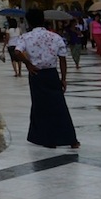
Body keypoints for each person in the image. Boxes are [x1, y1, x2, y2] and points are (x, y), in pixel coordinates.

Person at [9, 8, 78, 149]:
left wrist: (28, 64)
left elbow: (17, 52)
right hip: (52, 73)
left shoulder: (25, 37)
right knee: (59, 105)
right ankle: (71, 139)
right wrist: (63, 78)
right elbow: (62, 59)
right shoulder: (54, 36)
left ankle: (48, 139)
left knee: (40, 106)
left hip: (36, 74)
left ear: (29, 22)